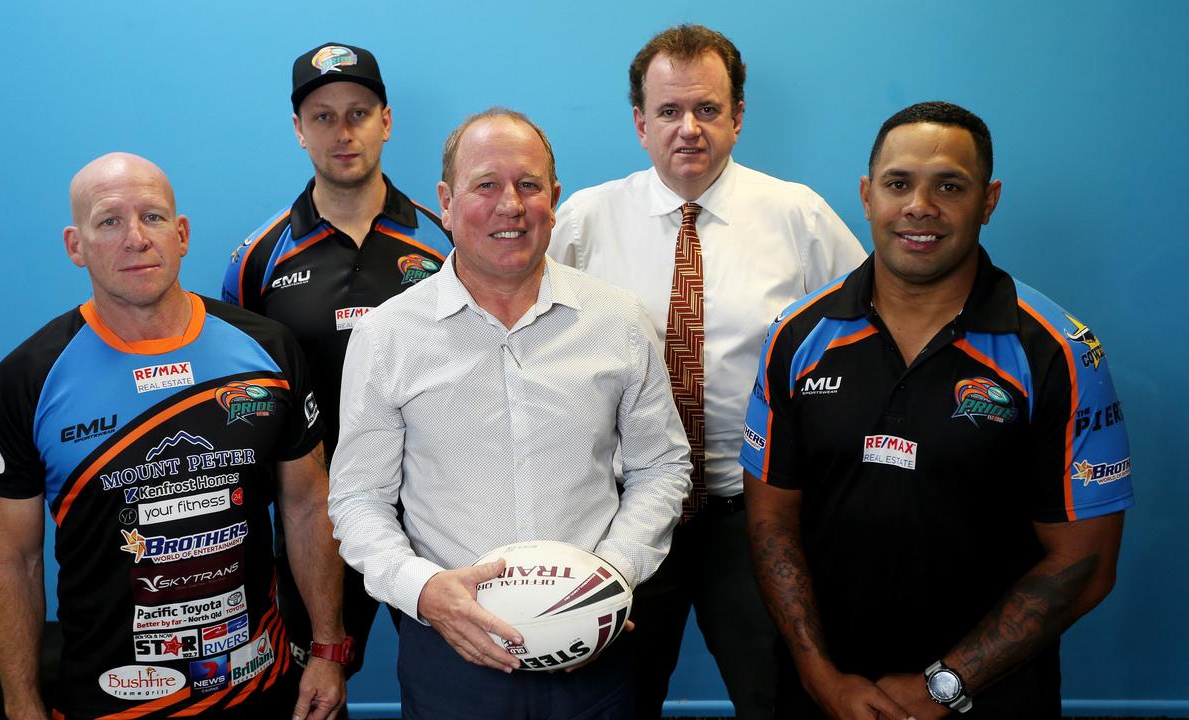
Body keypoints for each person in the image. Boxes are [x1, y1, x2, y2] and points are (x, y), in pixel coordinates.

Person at [741, 102, 1133, 719]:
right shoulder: (796, 337)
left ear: (989, 199)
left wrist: (946, 685)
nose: (920, 206)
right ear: (868, 196)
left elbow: (1085, 563)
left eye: (950, 185)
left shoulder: (1058, 350)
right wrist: (820, 676)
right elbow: (770, 525)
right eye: (898, 184)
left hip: (992, 696)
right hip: (827, 690)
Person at [328, 108, 691, 718]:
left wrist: (610, 579)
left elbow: (663, 467)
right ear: (445, 202)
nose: (510, 206)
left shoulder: (619, 321)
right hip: (451, 653)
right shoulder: (387, 333)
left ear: (555, 197)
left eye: (528, 185)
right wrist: (423, 592)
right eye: (486, 185)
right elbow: (357, 498)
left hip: (596, 655)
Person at [547, 24, 865, 719]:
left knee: (777, 695)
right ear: (639, 123)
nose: (688, 129)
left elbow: (869, 335)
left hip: (751, 515)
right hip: (621, 513)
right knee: (612, 698)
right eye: (668, 111)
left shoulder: (798, 217)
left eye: (708, 109)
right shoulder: (585, 221)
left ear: (738, 117)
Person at [0, 152, 345, 720]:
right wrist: (21, 703)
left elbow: (307, 506)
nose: (135, 239)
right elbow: (12, 558)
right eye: (109, 221)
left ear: (182, 234)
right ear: (76, 246)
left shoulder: (268, 349)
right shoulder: (24, 381)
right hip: (110, 700)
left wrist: (327, 646)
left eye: (152, 217)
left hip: (260, 689)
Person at [222, 42, 451, 678]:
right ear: (299, 130)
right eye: (322, 117)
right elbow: (244, 396)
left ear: (387, 120)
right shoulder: (258, 257)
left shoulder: (446, 237)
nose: (342, 132)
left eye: (358, 112)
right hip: (312, 515)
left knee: (453, 677)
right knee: (311, 685)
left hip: (434, 511)